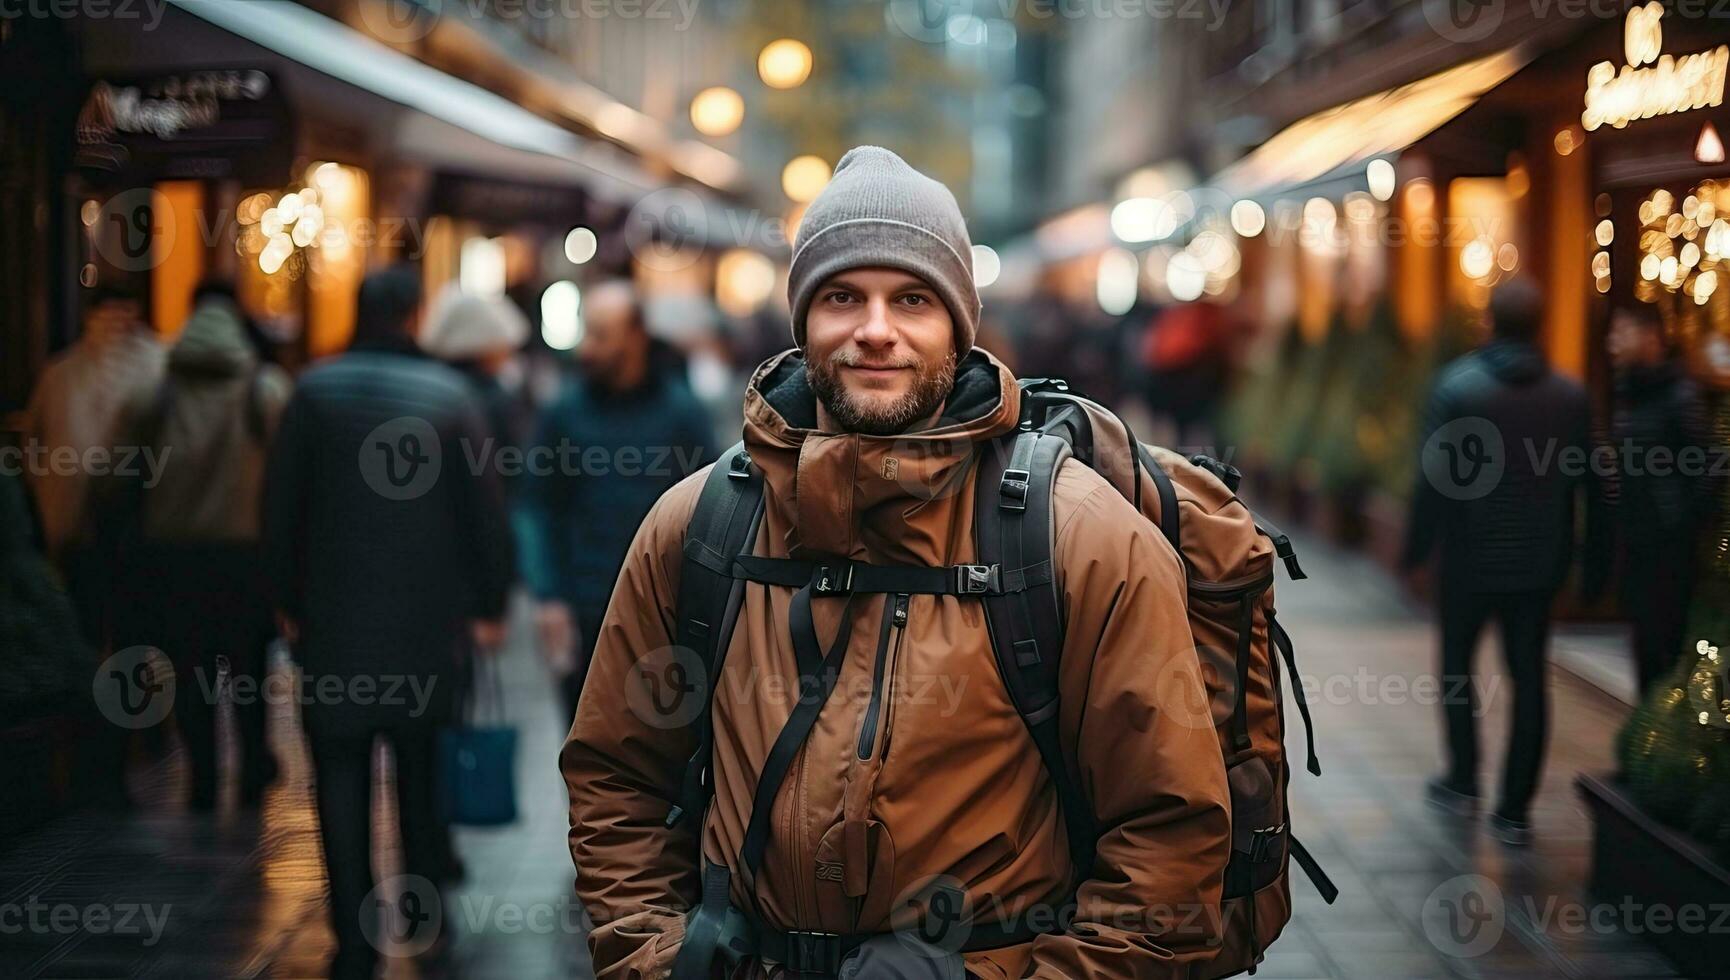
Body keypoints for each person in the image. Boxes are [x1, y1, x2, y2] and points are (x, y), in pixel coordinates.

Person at [561, 146, 1230, 978]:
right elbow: (616, 776)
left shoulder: (1079, 538)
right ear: (802, 318)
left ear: (959, 323)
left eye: (912, 298)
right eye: (843, 296)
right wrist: (657, 961)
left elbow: (1167, 834)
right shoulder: (698, 524)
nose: (875, 331)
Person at [263, 266, 514, 980]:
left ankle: (353, 938)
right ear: (414, 314)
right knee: (422, 772)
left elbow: (279, 511)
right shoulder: (451, 396)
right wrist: (491, 604)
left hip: (334, 628)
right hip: (426, 631)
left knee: (338, 777)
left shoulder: (312, 392)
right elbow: (485, 516)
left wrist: (285, 602)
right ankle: (422, 917)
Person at [1403, 278, 1595, 847]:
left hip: (1467, 558)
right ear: (1540, 324)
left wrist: (1416, 550)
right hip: (1540, 561)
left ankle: (1463, 778)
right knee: (1530, 677)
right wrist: (1595, 564)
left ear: (1489, 320)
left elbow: (1433, 480)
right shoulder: (1570, 395)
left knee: (1458, 671)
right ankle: (1515, 809)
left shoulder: (1458, 387)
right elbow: (1591, 482)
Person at [118, 280, 290, 810]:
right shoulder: (265, 388)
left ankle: (202, 777)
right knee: (247, 672)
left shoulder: (155, 389)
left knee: (189, 671)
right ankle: (253, 767)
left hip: (173, 557)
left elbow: (115, 472)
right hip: (246, 555)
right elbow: (290, 474)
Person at [521, 280, 715, 717]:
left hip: (663, 614)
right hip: (585, 608)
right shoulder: (562, 412)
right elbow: (538, 506)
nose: (586, 348)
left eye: (601, 335)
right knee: (583, 746)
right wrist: (548, 597)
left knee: (659, 753)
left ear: (636, 337)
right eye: (586, 331)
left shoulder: (683, 413)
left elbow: (713, 510)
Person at [23, 283, 164, 645]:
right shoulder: (158, 365)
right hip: (104, 518)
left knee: (98, 615)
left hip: (107, 519)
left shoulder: (63, 372)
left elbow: (33, 445)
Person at [1602, 304, 1713, 693]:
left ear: (1652, 337)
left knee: (1663, 647)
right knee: (1643, 647)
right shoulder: (1628, 393)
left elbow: (1707, 467)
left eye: (1623, 332)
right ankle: (1647, 739)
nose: (1613, 342)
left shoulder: (1681, 395)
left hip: (1667, 550)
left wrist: (1678, 523)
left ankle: (1662, 742)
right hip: (1636, 543)